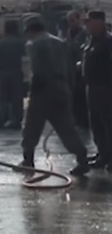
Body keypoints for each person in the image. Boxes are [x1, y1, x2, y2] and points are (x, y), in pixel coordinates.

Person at [17, 14, 89, 176]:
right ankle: (82, 158)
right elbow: (70, 67)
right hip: (62, 88)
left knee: (32, 126)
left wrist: (31, 91)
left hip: (43, 90)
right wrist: (68, 88)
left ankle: (28, 160)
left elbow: (37, 71)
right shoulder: (59, 42)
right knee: (66, 127)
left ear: (29, 30)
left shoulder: (35, 44)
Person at [81, 11, 112, 170]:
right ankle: (103, 154)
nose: (87, 25)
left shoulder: (108, 41)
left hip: (106, 87)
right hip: (92, 87)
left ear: (99, 22)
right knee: (96, 123)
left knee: (108, 122)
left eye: (90, 22)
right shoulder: (91, 40)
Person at [0, 20, 26, 130]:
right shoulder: (21, 43)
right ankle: (16, 120)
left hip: (2, 74)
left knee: (2, 98)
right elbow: (26, 60)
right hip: (17, 74)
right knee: (17, 98)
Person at [66, 11, 89, 130]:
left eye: (73, 20)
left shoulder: (85, 34)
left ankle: (84, 120)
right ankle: (77, 119)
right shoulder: (68, 34)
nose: (71, 23)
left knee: (82, 97)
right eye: (69, 21)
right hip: (71, 71)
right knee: (74, 97)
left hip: (82, 71)